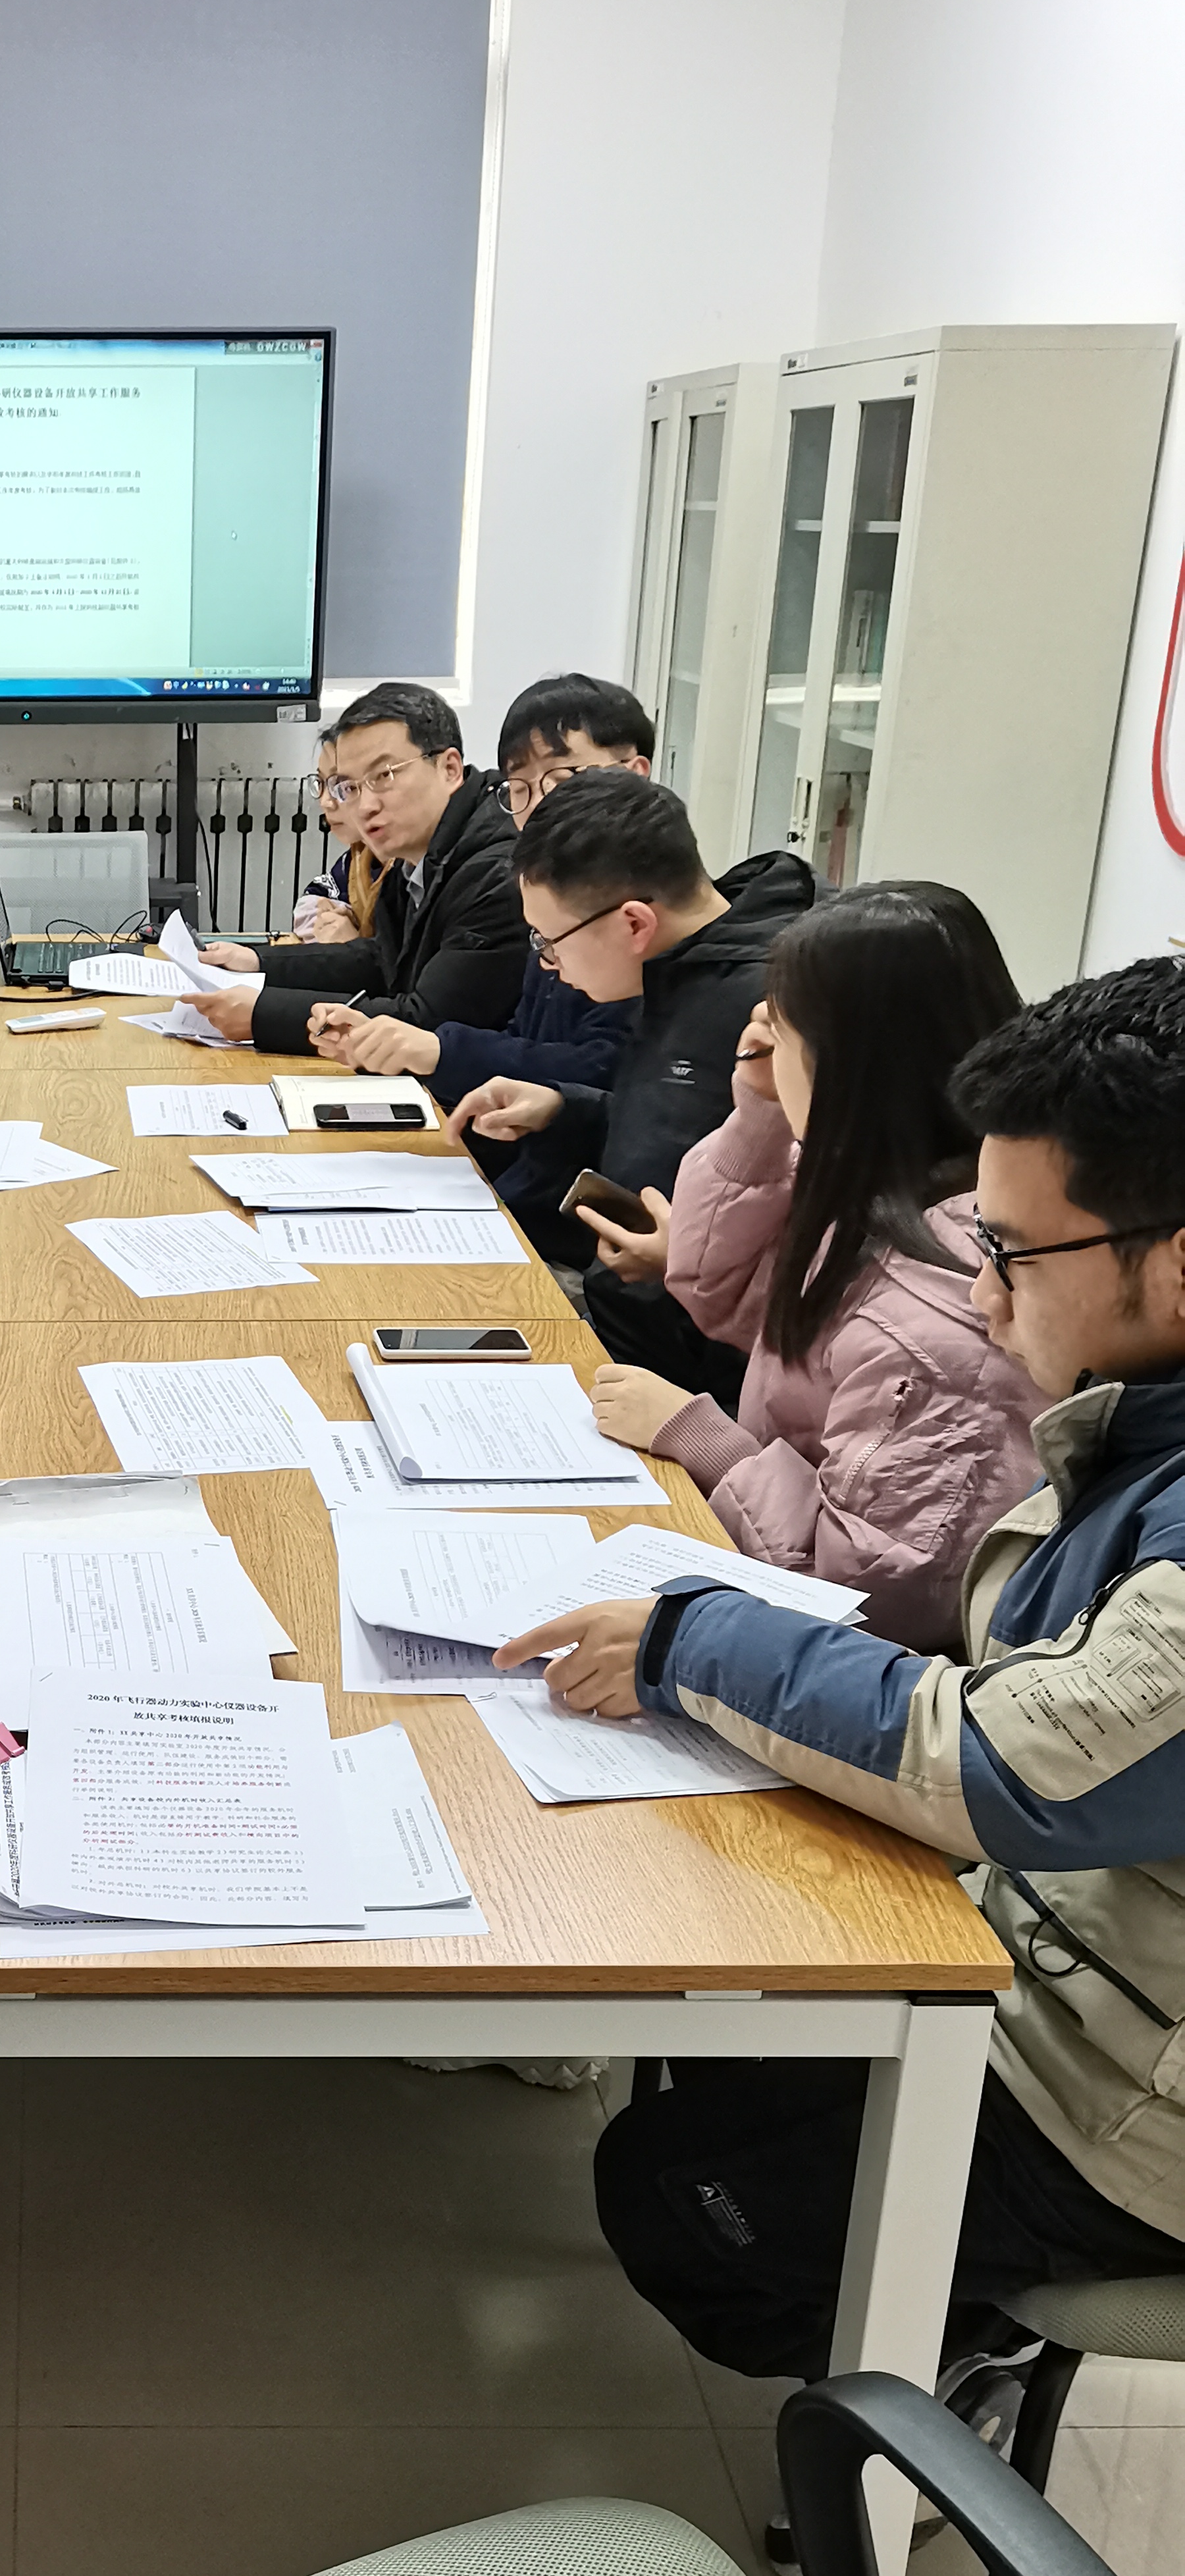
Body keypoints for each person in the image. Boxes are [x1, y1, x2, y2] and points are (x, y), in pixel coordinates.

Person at [485, 957, 1185, 2387]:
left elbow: (1011, 1763)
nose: (983, 1293)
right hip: (1057, 1948)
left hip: (1124, 2105)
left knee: (675, 2200)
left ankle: (939, 2374)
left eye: (1011, 1253)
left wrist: (686, 1638)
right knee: (717, 1996)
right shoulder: (1139, 1419)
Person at [587, 882, 1041, 1651]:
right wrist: (762, 1108)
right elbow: (714, 1287)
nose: (763, 1042)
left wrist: (704, 1441)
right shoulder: (872, 1175)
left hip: (845, 1653)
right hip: (781, 1557)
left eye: (784, 1030)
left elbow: (871, 1596)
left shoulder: (939, 1319)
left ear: (853, 1062)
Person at [446, 769, 816, 1397]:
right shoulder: (676, 965)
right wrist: (563, 1108)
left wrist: (687, 1263)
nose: (546, 963)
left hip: (698, 1385)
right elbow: (679, 1124)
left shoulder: (775, 1011)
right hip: (627, 1330)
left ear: (634, 923)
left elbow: (815, 1228)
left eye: (550, 941)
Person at [304, 672, 654, 1095]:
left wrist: (439, 1051)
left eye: (562, 779)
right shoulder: (555, 892)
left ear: (634, 774)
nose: (539, 808)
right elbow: (524, 1037)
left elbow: (613, 1068)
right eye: (521, 788)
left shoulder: (639, 904)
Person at [191, 682, 529, 1053]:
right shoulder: (418, 852)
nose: (365, 807)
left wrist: (264, 1014)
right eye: (349, 787)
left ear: (449, 769)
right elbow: (380, 961)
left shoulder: (496, 871)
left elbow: (428, 1025)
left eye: (384, 776)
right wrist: (255, 961)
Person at [288, 727, 384, 943]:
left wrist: (353, 945)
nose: (326, 802)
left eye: (343, 785)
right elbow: (316, 898)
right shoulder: (359, 857)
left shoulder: (411, 865)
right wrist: (330, 919)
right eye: (321, 783)